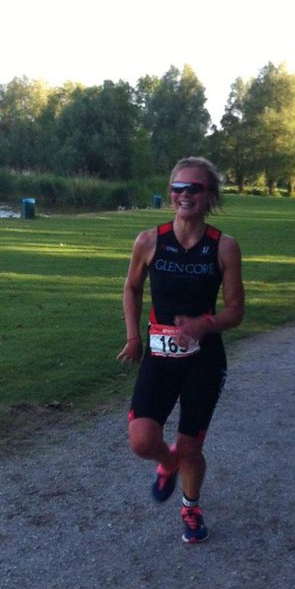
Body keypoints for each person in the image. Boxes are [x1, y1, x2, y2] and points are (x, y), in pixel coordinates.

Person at [117, 157, 245, 544]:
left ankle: (190, 506)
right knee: (141, 441)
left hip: (203, 360)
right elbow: (132, 288)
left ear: (210, 197)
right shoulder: (149, 240)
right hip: (159, 355)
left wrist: (205, 325)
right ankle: (167, 462)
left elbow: (236, 311)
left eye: (195, 188)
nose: (184, 194)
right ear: (169, 194)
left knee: (191, 445)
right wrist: (134, 336)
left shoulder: (223, 247)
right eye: (178, 188)